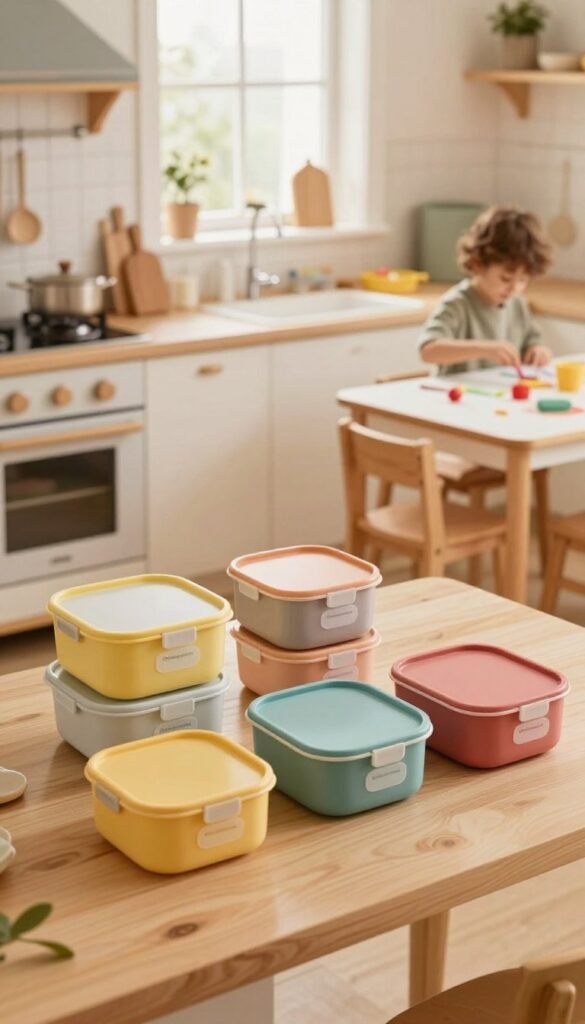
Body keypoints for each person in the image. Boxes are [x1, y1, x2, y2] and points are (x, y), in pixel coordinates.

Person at [418, 205, 553, 375]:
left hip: (499, 395)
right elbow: (429, 351)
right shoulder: (457, 304)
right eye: (506, 278)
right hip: (460, 397)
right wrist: (485, 349)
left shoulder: (517, 303)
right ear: (478, 264)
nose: (514, 288)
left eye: (523, 280)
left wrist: (538, 350)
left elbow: (532, 340)